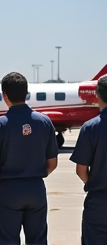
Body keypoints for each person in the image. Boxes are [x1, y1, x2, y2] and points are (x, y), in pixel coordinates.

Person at [0, 72, 58, 245]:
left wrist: (11, 181)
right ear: (26, 93)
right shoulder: (45, 122)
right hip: (36, 188)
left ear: (5, 95)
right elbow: (52, 163)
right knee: (38, 239)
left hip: (9, 189)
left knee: (6, 239)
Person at [70, 75, 107, 245]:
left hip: (98, 202)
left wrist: (94, 181)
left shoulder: (90, 127)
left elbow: (81, 169)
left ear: (97, 96)